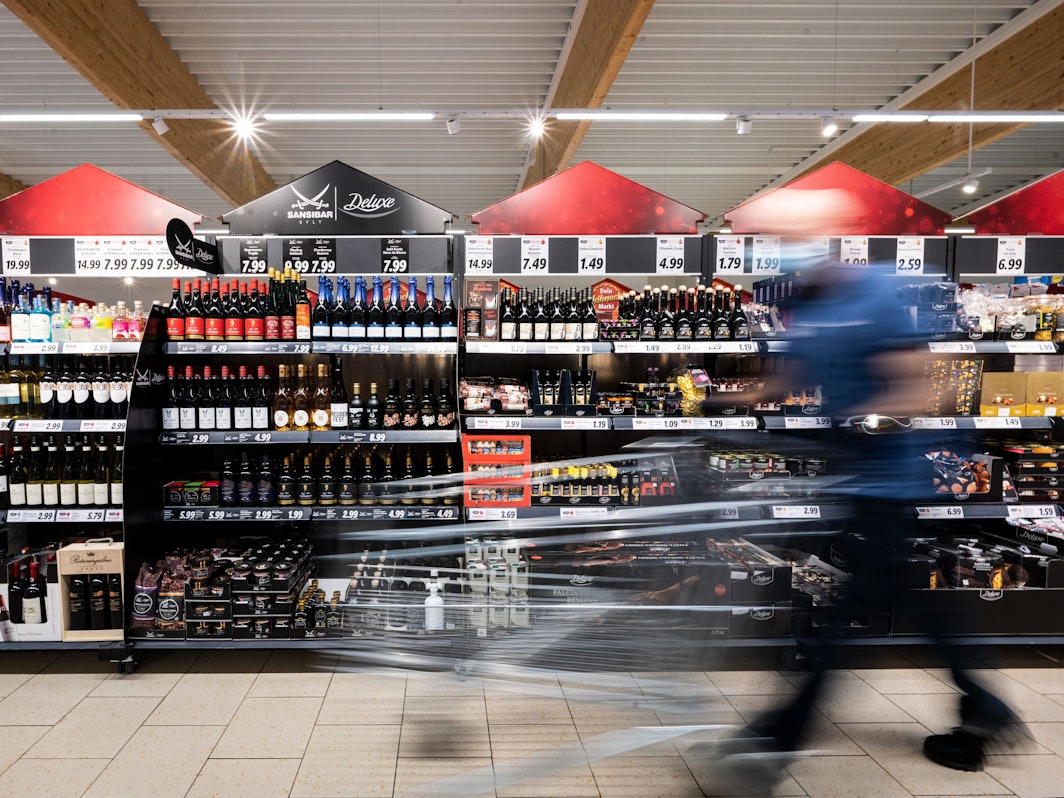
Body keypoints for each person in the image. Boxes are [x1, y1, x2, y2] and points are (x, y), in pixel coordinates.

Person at [704, 258, 1025, 794]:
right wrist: (729, 404)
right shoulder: (807, 313)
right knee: (922, 601)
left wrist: (858, 426)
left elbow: (918, 390)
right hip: (859, 480)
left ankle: (779, 739)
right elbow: (791, 379)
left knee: (845, 614)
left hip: (896, 480)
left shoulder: (874, 294)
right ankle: (987, 709)